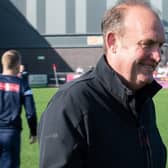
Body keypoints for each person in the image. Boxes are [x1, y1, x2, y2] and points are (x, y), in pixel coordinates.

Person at [38, 0, 167, 167]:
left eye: (160, 46)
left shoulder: (144, 102)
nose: (158, 57)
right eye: (147, 44)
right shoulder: (73, 104)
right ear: (113, 42)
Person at [0, 50, 37, 168]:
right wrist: (33, 131)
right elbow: (30, 112)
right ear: (18, 64)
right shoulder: (22, 84)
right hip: (10, 133)